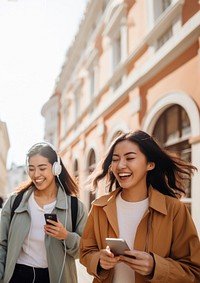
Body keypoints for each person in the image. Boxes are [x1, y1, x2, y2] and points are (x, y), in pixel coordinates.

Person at [80, 130, 200, 283]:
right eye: (115, 159)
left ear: (150, 164)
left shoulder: (174, 209)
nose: (120, 165)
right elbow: (85, 252)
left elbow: (194, 272)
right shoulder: (99, 207)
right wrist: (99, 260)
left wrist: (155, 267)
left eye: (130, 158)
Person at [0, 142, 88, 283]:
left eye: (42, 168)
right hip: (17, 276)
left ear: (55, 168)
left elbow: (84, 250)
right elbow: (1, 244)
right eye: (31, 169)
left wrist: (65, 236)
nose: (36, 175)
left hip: (54, 278)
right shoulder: (15, 202)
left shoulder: (75, 207)